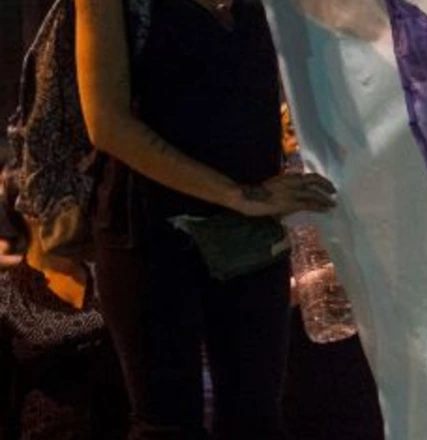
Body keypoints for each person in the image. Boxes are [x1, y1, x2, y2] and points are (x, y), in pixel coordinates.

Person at [73, 0, 337, 437]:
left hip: (252, 230)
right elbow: (107, 123)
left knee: (255, 417)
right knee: (166, 424)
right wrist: (241, 195)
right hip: (148, 231)